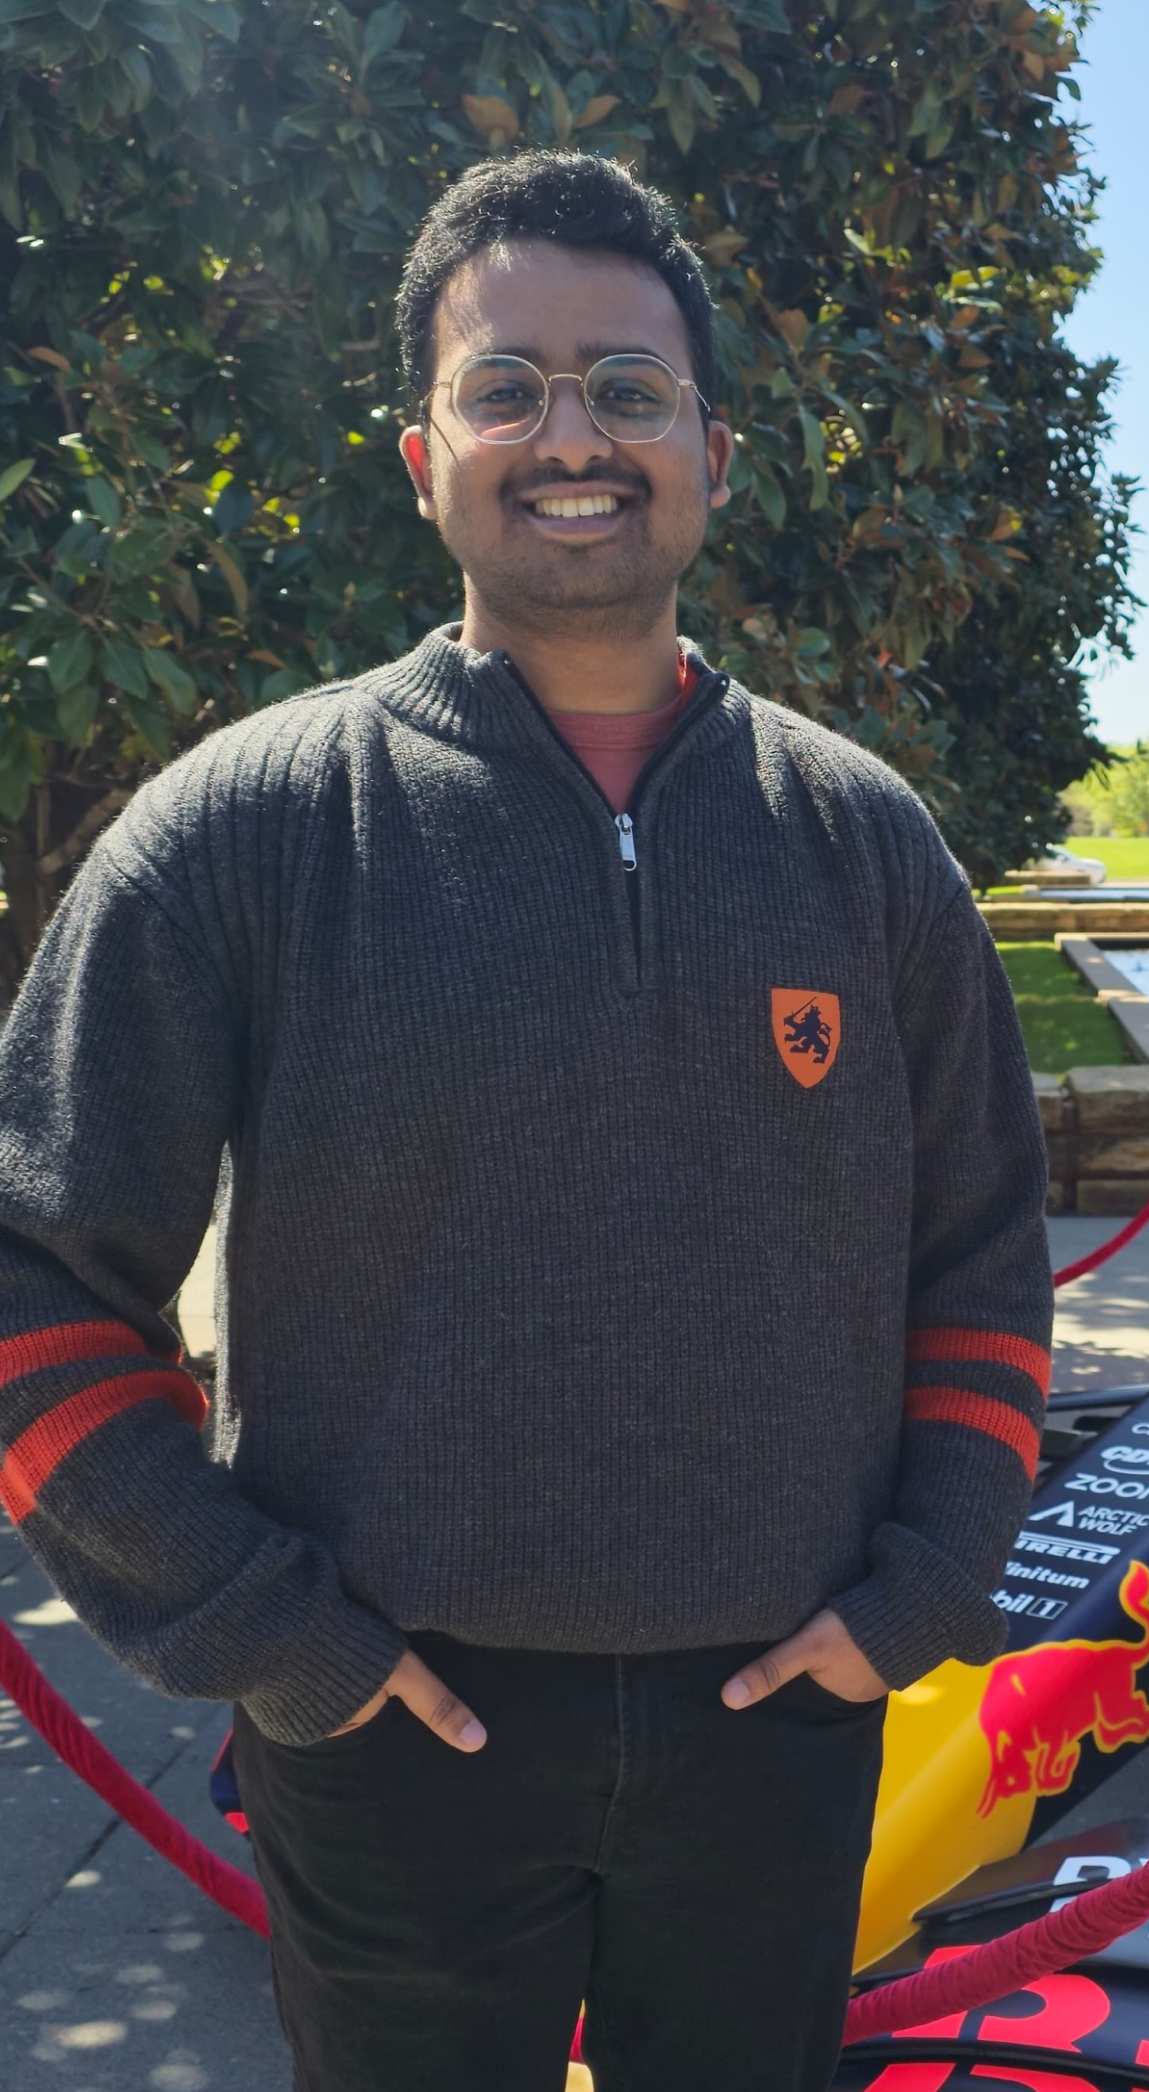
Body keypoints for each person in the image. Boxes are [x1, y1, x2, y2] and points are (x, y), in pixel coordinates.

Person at [0, 150, 1051, 2091]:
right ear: (424, 458)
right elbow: (34, 1272)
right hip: (387, 1743)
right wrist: (265, 1634)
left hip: (782, 1728)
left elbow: (981, 1256)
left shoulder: (861, 839)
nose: (572, 436)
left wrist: (917, 1590)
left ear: (713, 453)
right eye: (509, 387)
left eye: (628, 387)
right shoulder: (242, 831)